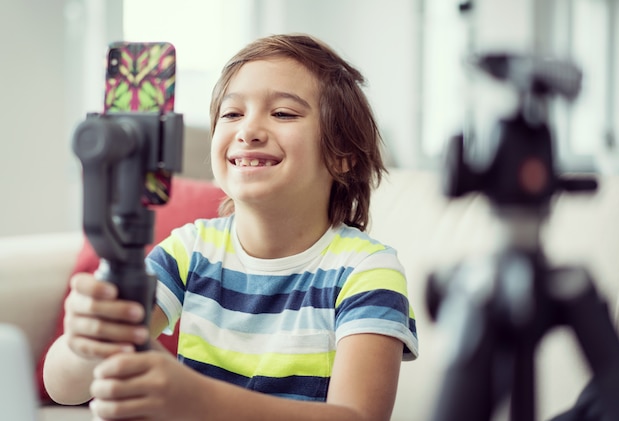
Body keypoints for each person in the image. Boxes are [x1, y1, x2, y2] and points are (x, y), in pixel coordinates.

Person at [43, 33, 419, 420]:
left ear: (343, 157)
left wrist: (197, 398)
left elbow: (358, 416)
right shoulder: (189, 252)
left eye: (284, 113)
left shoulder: (368, 272)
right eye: (232, 114)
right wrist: (84, 343)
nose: (248, 130)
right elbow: (65, 388)